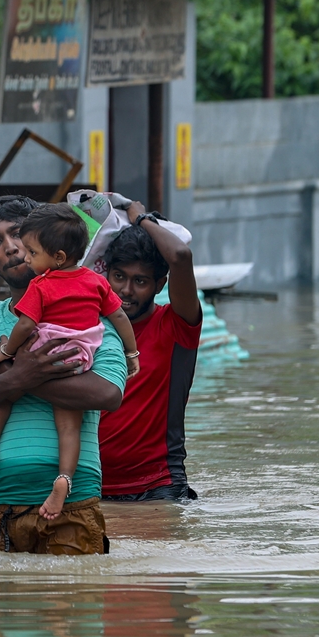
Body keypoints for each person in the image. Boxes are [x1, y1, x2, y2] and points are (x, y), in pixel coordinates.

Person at [0, 195, 127, 554]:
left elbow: (108, 393)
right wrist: (12, 379)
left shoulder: (90, 311)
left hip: (72, 505)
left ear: (45, 239)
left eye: (18, 234)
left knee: (70, 609)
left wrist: (14, 371)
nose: (12, 249)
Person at [0, 203, 140, 520]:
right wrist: (133, 354)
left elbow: (24, 325)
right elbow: (119, 316)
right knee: (69, 426)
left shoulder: (42, 285)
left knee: (4, 394)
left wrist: (7, 357)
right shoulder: (95, 281)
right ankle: (64, 478)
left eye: (32, 252)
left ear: (57, 257)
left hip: (45, 348)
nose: (23, 255)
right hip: (80, 356)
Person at [95, 202, 204, 501]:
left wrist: (140, 219)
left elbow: (180, 256)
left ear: (159, 285)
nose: (126, 290)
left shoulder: (175, 326)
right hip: (90, 486)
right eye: (119, 277)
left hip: (158, 487)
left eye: (140, 281)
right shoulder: (90, 329)